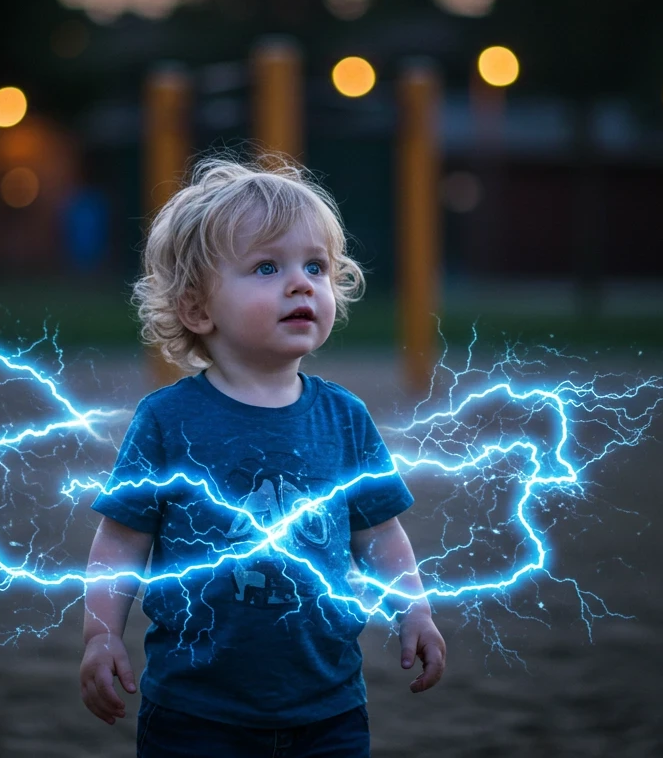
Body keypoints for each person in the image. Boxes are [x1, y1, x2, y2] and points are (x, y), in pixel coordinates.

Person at [79, 154, 445, 757]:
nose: (301, 283)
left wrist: (416, 612)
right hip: (196, 713)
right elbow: (120, 541)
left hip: (329, 709)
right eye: (267, 266)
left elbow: (380, 533)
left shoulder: (344, 418)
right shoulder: (167, 421)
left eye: (316, 267)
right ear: (198, 308)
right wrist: (100, 635)